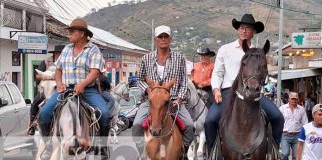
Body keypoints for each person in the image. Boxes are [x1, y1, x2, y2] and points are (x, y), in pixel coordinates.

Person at [205, 13, 285, 153]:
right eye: (241, 27)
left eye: (248, 28)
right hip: (227, 93)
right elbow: (217, 73)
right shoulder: (225, 49)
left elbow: (263, 74)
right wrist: (216, 90)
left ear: (253, 32)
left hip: (253, 94)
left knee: (278, 117)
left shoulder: (258, 52)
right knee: (210, 121)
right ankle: (212, 153)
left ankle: (274, 150)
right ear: (238, 29)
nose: (244, 31)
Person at [37, 18, 111, 159]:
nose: (69, 34)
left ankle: (102, 148)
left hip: (88, 90)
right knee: (44, 113)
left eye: (72, 31)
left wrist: (82, 84)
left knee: (105, 114)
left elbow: (95, 72)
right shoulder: (66, 49)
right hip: (66, 90)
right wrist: (59, 84)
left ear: (82, 33)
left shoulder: (93, 49)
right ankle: (48, 146)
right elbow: (58, 70)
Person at [132, 25, 194, 159]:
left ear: (170, 39)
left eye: (166, 36)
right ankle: (141, 153)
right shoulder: (146, 59)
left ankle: (183, 152)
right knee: (136, 125)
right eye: (160, 37)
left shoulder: (179, 58)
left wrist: (180, 98)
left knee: (189, 125)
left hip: (172, 101)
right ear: (155, 39)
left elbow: (184, 80)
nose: (163, 39)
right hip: (151, 102)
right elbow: (140, 79)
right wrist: (149, 91)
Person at [27, 45, 65, 135]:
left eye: (60, 53)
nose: (58, 55)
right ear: (54, 54)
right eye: (57, 53)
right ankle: (32, 124)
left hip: (60, 87)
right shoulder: (46, 61)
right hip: (46, 88)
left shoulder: (66, 62)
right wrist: (48, 76)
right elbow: (37, 75)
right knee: (36, 102)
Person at [279, 92, 308, 160]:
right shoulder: (282, 108)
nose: (294, 100)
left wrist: (303, 134)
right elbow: (278, 121)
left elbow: (305, 122)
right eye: (292, 99)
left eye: (295, 99)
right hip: (285, 134)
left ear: (298, 99)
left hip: (297, 135)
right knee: (285, 154)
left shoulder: (301, 109)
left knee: (296, 155)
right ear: (289, 99)